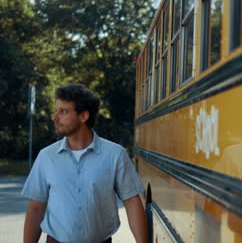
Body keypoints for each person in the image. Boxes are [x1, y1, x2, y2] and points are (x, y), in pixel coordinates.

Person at [21, 83, 147, 243]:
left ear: (83, 116)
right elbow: (36, 207)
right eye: (56, 110)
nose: (55, 117)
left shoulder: (115, 154)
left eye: (63, 111)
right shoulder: (47, 156)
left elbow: (132, 201)